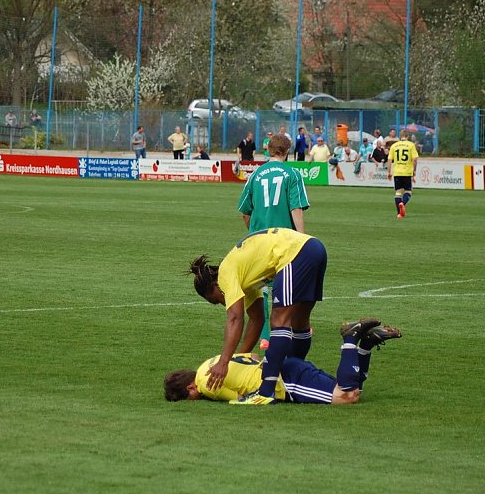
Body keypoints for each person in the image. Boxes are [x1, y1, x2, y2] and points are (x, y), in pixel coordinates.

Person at [187, 227, 327, 406]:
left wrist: (223, 362)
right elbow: (257, 318)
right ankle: (295, 370)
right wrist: (240, 357)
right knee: (299, 320)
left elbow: (235, 318)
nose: (223, 303)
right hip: (314, 247)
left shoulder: (225, 275)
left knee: (280, 320)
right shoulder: (245, 278)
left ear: (214, 286)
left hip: (293, 253)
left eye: (216, 300)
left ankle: (266, 391)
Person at [164, 319, 402, 404]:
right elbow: (254, 356)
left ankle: (350, 337)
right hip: (287, 366)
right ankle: (366, 346)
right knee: (352, 388)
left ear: (190, 388)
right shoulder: (213, 361)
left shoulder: (206, 383)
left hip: (285, 383)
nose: (197, 399)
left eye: (191, 398)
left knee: (347, 397)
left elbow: (238, 398)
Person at [237, 133, 310, 350]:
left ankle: (265, 335)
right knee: (288, 284)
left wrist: (253, 232)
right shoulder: (292, 173)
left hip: (259, 238)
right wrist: (303, 238)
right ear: (287, 151)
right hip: (284, 239)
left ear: (268, 149)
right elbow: (295, 208)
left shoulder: (256, 174)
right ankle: (294, 327)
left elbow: (245, 212)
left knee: (262, 286)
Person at [387, 129, 419, 219]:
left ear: (400, 136)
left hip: (397, 172)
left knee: (398, 192)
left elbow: (389, 160)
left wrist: (389, 172)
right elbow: (415, 159)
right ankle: (403, 203)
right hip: (407, 172)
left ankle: (399, 214)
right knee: (408, 191)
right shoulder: (411, 145)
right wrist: (414, 171)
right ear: (408, 136)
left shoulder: (394, 146)